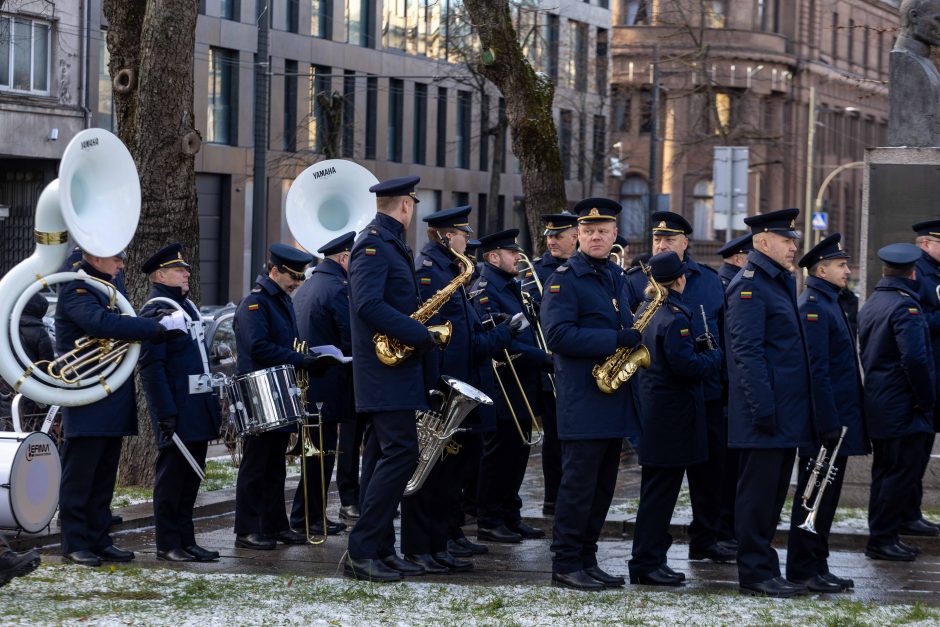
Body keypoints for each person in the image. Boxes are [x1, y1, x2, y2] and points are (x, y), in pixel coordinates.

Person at [404, 206, 516, 573]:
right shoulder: (429, 273)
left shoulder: (453, 270)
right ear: (445, 236)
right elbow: (441, 336)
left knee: (451, 478)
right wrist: (502, 335)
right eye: (463, 235)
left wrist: (495, 331)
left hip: (464, 383)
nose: (468, 243)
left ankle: (439, 544)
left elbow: (465, 332)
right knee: (434, 476)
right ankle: (422, 548)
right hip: (443, 388)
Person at [345, 176, 445, 582]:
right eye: (412, 204)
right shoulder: (372, 243)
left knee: (381, 457)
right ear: (405, 205)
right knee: (401, 453)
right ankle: (362, 549)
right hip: (383, 370)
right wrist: (417, 333)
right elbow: (367, 303)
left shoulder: (388, 241)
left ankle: (380, 548)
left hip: (395, 368)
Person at [541, 197, 640, 591]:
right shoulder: (564, 278)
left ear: (614, 235)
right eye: (588, 231)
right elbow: (558, 336)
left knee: (602, 489)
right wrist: (615, 339)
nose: (595, 237)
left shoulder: (614, 276)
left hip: (612, 397)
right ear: (578, 235)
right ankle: (565, 562)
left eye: (602, 231)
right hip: (583, 398)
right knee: (578, 487)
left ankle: (587, 557)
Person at [56, 249, 178, 567]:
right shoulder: (75, 281)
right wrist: (149, 328)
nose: (123, 265)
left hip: (110, 388)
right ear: (95, 258)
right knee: (80, 473)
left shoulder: (110, 277)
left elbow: (119, 319)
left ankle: (99, 539)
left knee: (104, 472)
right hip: (86, 387)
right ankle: (74, 542)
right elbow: (98, 322)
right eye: (117, 260)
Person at [626, 211, 733, 564]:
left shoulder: (708, 279)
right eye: (657, 239)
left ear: (685, 243)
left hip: (707, 394)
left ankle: (706, 537)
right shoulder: (637, 281)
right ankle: (650, 554)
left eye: (669, 240)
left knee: (710, 471)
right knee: (663, 480)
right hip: (668, 395)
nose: (661, 244)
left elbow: (723, 331)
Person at [725, 208, 814, 597]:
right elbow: (747, 353)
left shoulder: (776, 281)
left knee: (773, 495)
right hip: (763, 412)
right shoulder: (749, 284)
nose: (794, 246)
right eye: (786, 240)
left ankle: (765, 568)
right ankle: (756, 573)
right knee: (757, 497)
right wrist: (763, 408)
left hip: (781, 411)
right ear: (762, 243)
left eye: (793, 240)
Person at [785, 233, 868, 591]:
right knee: (815, 491)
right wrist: (827, 421)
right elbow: (816, 369)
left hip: (841, 418)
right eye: (842, 265)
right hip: (827, 421)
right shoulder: (814, 306)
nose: (848, 271)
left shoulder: (829, 300)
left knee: (827, 496)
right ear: (822, 268)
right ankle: (804, 567)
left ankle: (818, 563)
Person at [233, 243, 319, 551]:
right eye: (292, 277)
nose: (296, 283)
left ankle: (274, 524)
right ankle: (247, 528)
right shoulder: (256, 304)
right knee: (256, 464)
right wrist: (299, 359)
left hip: (279, 390)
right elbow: (258, 347)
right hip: (261, 393)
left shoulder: (280, 300)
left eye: (300, 278)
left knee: (275, 465)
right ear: (274, 271)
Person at [138, 243, 221, 563]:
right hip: (177, 409)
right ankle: (167, 543)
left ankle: (187, 540)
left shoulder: (185, 307)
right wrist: (165, 412)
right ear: (161, 274)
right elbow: (151, 368)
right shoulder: (156, 310)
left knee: (190, 479)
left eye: (185, 268)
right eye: (179, 269)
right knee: (172, 479)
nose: (187, 272)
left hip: (196, 407)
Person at [472, 228, 551, 544]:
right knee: (499, 455)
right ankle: (489, 519)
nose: (518, 257)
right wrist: (546, 359)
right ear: (493, 257)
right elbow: (505, 342)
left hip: (524, 382)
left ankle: (510, 513)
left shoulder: (511, 286)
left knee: (518, 454)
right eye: (510, 252)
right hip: (505, 382)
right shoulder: (485, 289)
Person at [858, 243, 936, 562]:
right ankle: (882, 538)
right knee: (898, 472)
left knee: (887, 471)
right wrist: (925, 399)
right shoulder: (906, 307)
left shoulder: (875, 301)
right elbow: (915, 360)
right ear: (913, 273)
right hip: (903, 404)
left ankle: (885, 534)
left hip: (881, 400)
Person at [289, 231, 357, 539]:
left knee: (314, 455)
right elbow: (349, 336)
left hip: (309, 384)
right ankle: (310, 518)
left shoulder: (309, 285)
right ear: (344, 258)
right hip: (328, 383)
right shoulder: (337, 289)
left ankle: (306, 515)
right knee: (322, 454)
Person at [521, 211, 578, 516]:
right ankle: (553, 498)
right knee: (555, 438)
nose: (552, 241)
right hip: (550, 368)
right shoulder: (536, 272)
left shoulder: (583, 268)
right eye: (549, 236)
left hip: (580, 366)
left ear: (575, 237)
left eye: (559, 236)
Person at [905, 219, 940, 536]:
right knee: (913, 451)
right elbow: (915, 319)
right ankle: (907, 513)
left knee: (922, 445)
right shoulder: (918, 273)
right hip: (925, 374)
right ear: (926, 244)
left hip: (935, 373)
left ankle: (911, 511)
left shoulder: (935, 272)